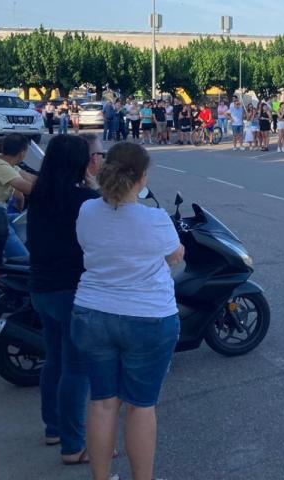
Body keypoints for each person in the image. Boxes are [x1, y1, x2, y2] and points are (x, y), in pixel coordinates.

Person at [71, 142, 184, 480]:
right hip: (148, 317)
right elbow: (175, 254)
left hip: (92, 313)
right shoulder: (155, 219)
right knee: (141, 405)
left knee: (102, 402)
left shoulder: (88, 211)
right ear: (142, 177)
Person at [26, 135, 100, 465]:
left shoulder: (40, 194)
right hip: (72, 291)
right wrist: (93, 182)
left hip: (42, 287)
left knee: (55, 359)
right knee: (76, 369)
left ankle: (53, 428)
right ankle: (73, 445)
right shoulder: (83, 199)